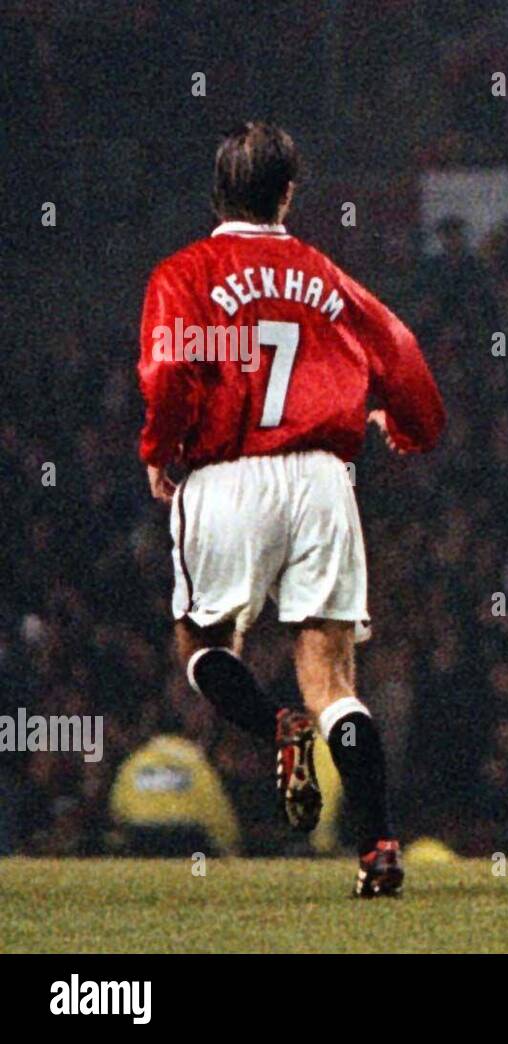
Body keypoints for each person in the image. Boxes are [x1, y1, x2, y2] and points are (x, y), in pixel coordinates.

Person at [137, 122, 445, 896]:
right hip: (320, 478)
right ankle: (378, 848)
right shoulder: (325, 273)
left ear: (216, 191)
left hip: (228, 471)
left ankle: (279, 728)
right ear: (287, 193)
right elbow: (402, 353)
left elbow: (170, 366)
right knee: (336, 678)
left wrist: (159, 448)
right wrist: (409, 426)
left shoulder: (184, 271)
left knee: (204, 642)